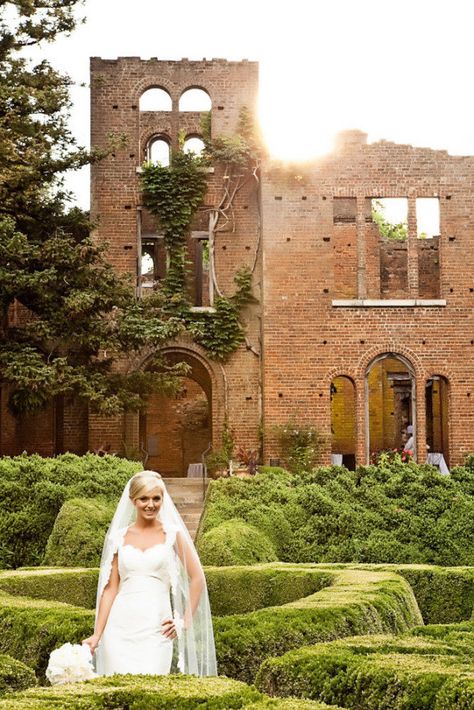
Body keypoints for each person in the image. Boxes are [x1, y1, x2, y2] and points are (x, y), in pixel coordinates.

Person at [82, 470, 216, 676]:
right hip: (119, 628)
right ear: (133, 500)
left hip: (156, 628)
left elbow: (198, 578)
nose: (150, 504)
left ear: (163, 500)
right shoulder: (119, 537)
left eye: (156, 498)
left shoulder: (173, 534)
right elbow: (110, 589)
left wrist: (184, 620)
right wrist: (97, 634)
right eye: (143, 498)